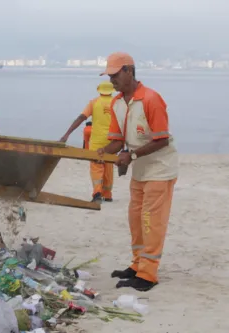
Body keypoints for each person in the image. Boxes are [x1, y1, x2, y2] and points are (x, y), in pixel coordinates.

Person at [97, 52, 178, 292]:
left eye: (114, 75)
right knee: (135, 221)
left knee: (151, 222)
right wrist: (100, 153)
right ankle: (137, 265)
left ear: (129, 71)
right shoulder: (117, 103)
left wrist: (129, 156)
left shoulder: (152, 99)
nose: (111, 80)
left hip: (160, 170)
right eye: (109, 76)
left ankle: (148, 275)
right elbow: (117, 141)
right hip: (140, 172)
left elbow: (162, 140)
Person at [61, 81, 115, 203]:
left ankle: (97, 193)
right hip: (112, 142)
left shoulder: (94, 102)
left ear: (99, 90)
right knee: (108, 166)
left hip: (96, 142)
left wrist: (67, 134)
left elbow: (81, 118)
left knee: (96, 167)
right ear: (112, 90)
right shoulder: (117, 102)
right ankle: (107, 194)